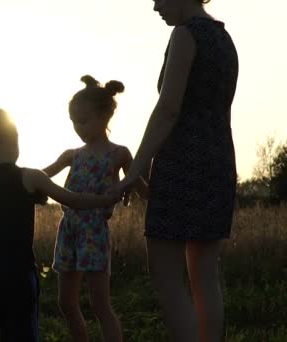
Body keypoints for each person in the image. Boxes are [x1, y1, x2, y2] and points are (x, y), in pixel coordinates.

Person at [111, 1, 239, 341]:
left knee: (167, 274)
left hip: (183, 163)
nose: (155, 6)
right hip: (218, 162)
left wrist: (133, 171)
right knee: (205, 276)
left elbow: (168, 110)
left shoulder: (185, 35)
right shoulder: (224, 39)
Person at [0, 107, 120, 342]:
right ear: (16, 140)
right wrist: (106, 199)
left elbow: (6, 195)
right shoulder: (30, 177)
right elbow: (73, 199)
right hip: (20, 272)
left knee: (6, 326)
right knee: (26, 328)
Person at [44, 75, 147, 342]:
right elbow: (40, 177)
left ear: (104, 116)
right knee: (66, 303)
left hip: (94, 232)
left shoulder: (119, 154)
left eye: (83, 120)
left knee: (100, 305)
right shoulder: (71, 155)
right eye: (73, 122)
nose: (77, 127)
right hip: (67, 230)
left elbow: (144, 191)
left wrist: (129, 182)